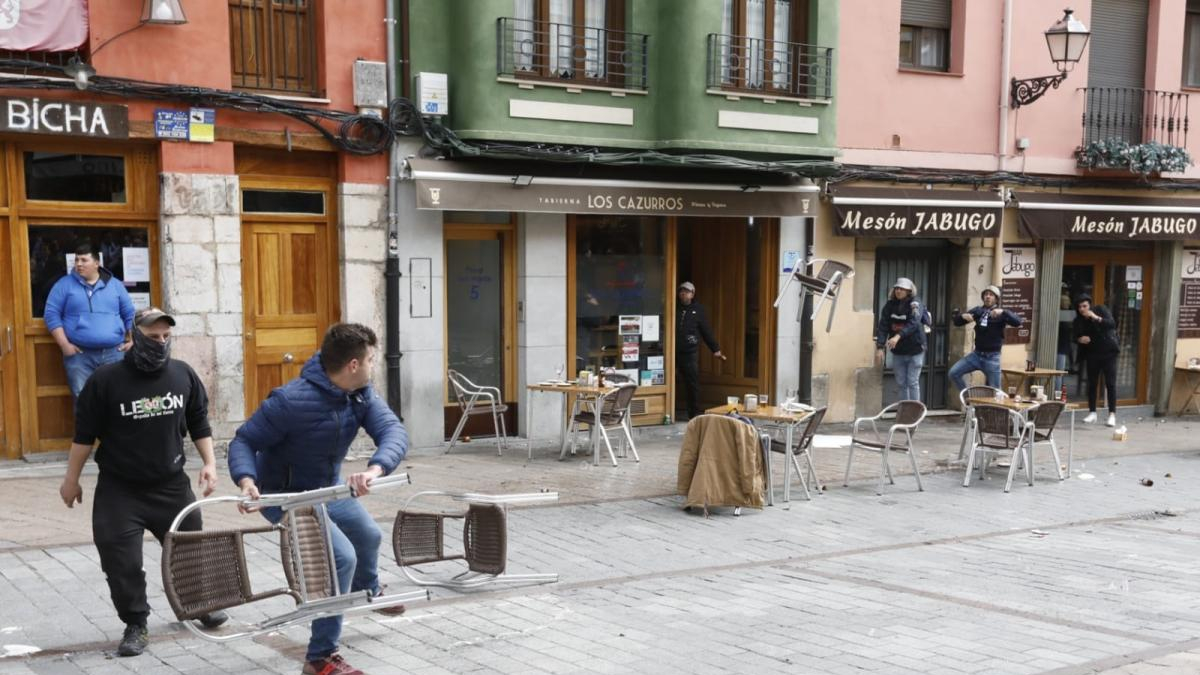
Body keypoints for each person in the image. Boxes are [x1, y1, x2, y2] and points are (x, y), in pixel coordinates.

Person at [228, 323, 408, 675]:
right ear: (353, 365)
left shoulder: (361, 394)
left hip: (328, 487)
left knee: (368, 536)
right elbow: (243, 441)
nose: (374, 366)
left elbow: (392, 430)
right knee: (340, 559)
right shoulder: (289, 401)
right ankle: (320, 658)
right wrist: (247, 480)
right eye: (371, 359)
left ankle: (368, 591)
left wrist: (374, 470)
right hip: (286, 497)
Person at [58, 307, 225, 658]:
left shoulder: (183, 375)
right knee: (121, 560)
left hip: (171, 484)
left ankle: (197, 605)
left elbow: (198, 421)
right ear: (133, 337)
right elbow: (84, 436)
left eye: (166, 336)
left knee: (190, 551)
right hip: (121, 489)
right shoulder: (105, 380)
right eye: (153, 337)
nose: (161, 343)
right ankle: (136, 623)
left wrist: (210, 463)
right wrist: (70, 480)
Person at [44, 241, 136, 398]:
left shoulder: (115, 285)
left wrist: (133, 339)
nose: (79, 264)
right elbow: (51, 314)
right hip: (80, 356)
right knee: (83, 401)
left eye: (84, 260)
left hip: (114, 353)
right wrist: (64, 344)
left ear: (96, 263)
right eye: (77, 260)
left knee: (117, 399)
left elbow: (129, 313)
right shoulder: (64, 285)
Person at [949, 285, 1022, 391]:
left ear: (996, 299)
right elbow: (957, 322)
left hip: (992, 358)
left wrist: (1003, 312)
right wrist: (962, 316)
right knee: (953, 373)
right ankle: (968, 398)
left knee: (996, 391)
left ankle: (995, 408)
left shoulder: (1001, 314)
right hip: (976, 355)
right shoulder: (978, 311)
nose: (988, 297)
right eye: (986, 294)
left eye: (991, 295)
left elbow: (1018, 322)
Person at [676, 281, 725, 420]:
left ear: (692, 294)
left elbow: (706, 330)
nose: (683, 293)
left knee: (692, 383)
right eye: (681, 291)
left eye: (686, 291)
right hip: (673, 352)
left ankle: (694, 414)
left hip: (690, 352)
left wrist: (715, 349)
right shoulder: (675, 308)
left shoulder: (698, 310)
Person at [875, 277, 927, 401]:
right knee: (901, 383)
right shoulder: (889, 305)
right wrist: (880, 347)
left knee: (912, 382)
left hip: (915, 349)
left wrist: (898, 336)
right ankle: (904, 411)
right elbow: (883, 326)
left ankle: (915, 413)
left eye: (902, 289)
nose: (898, 291)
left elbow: (914, 323)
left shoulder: (915, 303)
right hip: (898, 351)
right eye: (897, 288)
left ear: (909, 291)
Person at [1073, 294, 1120, 427]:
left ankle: (1112, 414)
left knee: (1110, 384)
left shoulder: (1100, 310)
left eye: (1085, 306)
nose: (1082, 309)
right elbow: (1075, 336)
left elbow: (1111, 324)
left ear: (1090, 305)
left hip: (1109, 353)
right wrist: (1079, 339)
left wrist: (1095, 317)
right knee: (1092, 383)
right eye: (1080, 307)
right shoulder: (1078, 320)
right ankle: (1092, 412)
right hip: (1092, 354)